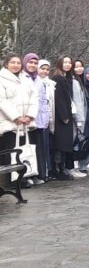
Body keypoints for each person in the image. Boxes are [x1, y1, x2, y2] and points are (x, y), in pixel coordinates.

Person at [0, 54, 38, 182]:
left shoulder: (25, 79)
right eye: (12, 62)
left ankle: (23, 176)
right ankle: (10, 180)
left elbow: (34, 97)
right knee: (10, 151)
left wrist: (30, 115)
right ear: (6, 64)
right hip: (10, 122)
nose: (16, 65)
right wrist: (15, 117)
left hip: (26, 122)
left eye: (18, 63)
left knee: (23, 150)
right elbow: (2, 101)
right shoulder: (2, 78)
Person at [22, 53, 49, 184]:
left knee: (37, 148)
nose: (32, 65)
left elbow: (43, 102)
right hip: (25, 119)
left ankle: (37, 174)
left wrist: (45, 119)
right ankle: (26, 176)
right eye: (30, 62)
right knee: (25, 148)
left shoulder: (38, 80)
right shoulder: (21, 78)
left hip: (38, 120)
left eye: (35, 63)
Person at [50, 56, 76, 180]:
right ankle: (58, 169)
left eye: (69, 62)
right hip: (62, 117)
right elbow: (58, 98)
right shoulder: (57, 78)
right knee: (60, 144)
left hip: (67, 115)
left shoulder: (66, 78)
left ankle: (63, 168)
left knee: (65, 144)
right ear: (60, 63)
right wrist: (64, 116)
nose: (67, 64)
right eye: (65, 62)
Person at [38, 59, 56, 180]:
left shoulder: (51, 84)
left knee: (47, 145)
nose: (44, 71)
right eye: (42, 68)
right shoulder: (33, 82)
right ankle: (40, 172)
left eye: (47, 69)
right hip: (37, 118)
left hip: (49, 117)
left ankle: (47, 171)